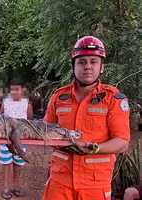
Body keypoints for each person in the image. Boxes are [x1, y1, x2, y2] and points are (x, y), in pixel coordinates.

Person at [42, 36, 130, 200]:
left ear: (102, 67)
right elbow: (44, 131)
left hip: (94, 186)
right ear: (73, 66)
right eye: (81, 62)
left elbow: (123, 142)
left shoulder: (113, 98)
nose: (87, 66)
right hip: (59, 182)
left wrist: (94, 148)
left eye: (93, 61)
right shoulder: (59, 96)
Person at [0, 78, 33, 199]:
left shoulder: (27, 105)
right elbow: (1, 118)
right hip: (6, 139)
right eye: (12, 89)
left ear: (23, 90)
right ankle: (5, 187)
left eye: (17, 89)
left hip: (21, 139)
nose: (14, 92)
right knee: (6, 162)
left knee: (18, 161)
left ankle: (16, 185)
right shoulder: (6, 102)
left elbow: (29, 121)